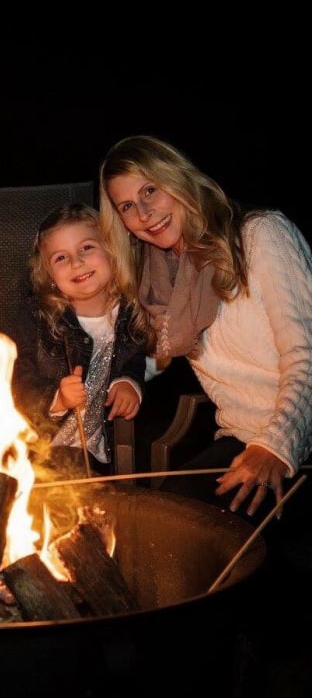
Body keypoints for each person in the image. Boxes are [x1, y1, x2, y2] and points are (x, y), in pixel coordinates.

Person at [98, 134, 312, 520]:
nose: (144, 213)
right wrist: (113, 378)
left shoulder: (259, 235)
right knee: (165, 519)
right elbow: (152, 355)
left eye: (151, 190)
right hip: (240, 437)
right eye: (127, 205)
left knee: (205, 537)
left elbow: (307, 355)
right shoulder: (159, 278)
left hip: (299, 435)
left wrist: (276, 447)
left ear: (178, 179)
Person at [13, 203, 152, 475]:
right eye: (60, 258)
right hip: (35, 452)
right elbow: (19, 379)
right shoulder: (40, 318)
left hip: (95, 453)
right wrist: (57, 400)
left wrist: (129, 383)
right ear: (49, 276)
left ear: (112, 251)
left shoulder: (128, 311)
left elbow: (134, 356)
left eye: (86, 248)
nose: (77, 262)